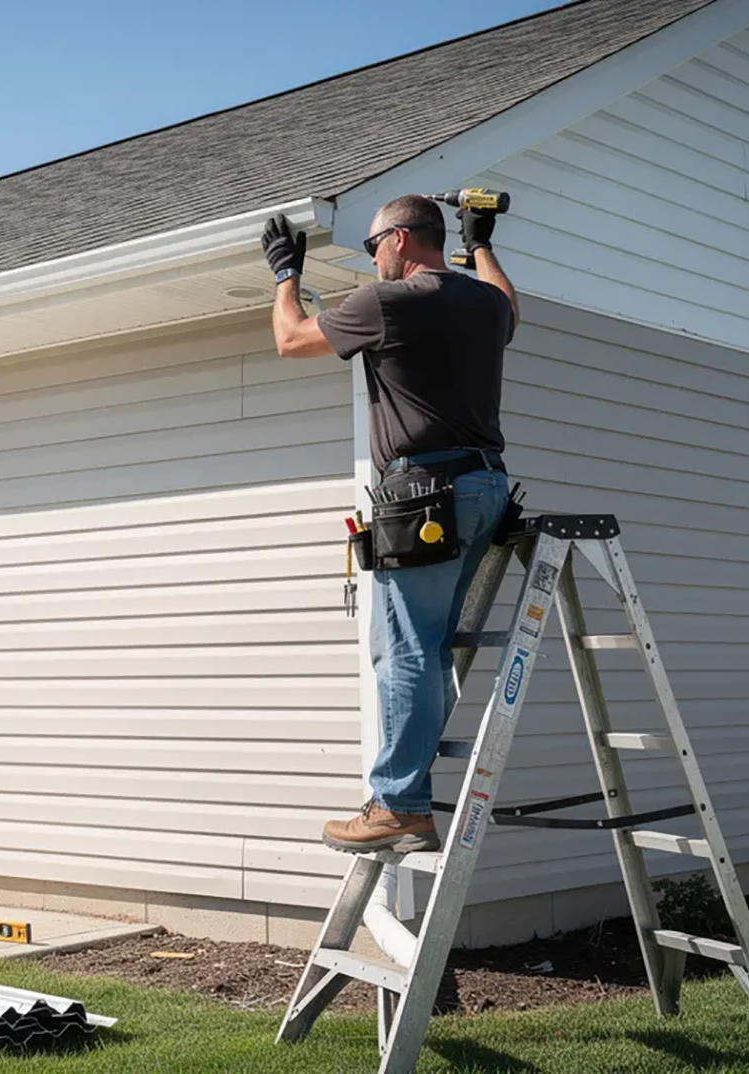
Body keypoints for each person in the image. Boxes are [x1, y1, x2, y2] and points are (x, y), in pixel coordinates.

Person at [260, 195, 518, 853]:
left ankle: (399, 805)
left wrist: (285, 274)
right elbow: (509, 305)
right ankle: (406, 792)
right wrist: (481, 243)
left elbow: (291, 340)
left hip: (428, 494)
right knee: (425, 647)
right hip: (486, 487)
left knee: (402, 649)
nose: (373, 259)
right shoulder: (482, 304)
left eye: (374, 246)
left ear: (400, 240)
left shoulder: (391, 303)